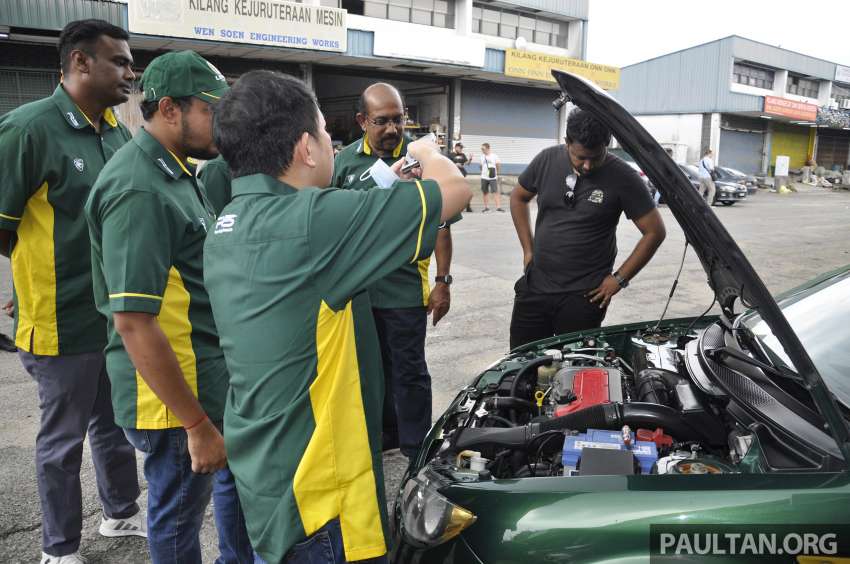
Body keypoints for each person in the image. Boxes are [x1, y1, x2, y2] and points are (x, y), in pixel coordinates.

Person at [204, 70, 470, 564]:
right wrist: (427, 152)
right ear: (306, 147)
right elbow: (453, 191)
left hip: (269, 474)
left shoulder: (227, 223)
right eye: (327, 132)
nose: (333, 143)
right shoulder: (311, 221)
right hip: (319, 500)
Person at [84, 50, 252, 564]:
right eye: (212, 111)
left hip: (200, 380)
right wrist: (195, 424)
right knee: (177, 519)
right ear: (172, 110)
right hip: (174, 401)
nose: (222, 125)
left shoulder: (176, 172)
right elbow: (134, 322)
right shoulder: (140, 188)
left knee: (209, 499)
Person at [0, 19, 143, 564]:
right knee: (62, 443)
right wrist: (32, 275)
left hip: (113, 318)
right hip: (59, 320)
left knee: (113, 425)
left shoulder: (115, 131)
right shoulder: (27, 129)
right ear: (80, 63)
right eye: (120, 62)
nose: (131, 72)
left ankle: (120, 514)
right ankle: (57, 549)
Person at [331, 83, 460, 458]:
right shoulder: (344, 163)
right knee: (370, 372)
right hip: (358, 293)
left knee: (409, 371)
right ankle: (383, 434)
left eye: (398, 120)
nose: (392, 129)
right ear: (362, 121)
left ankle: (415, 444)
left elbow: (442, 225)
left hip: (405, 292)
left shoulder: (425, 161)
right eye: (381, 121)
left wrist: (443, 281)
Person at [509, 107, 666, 349]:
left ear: (607, 144)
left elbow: (655, 232)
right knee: (522, 363)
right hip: (536, 287)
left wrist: (619, 279)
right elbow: (518, 197)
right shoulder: (546, 160)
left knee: (577, 371)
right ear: (567, 142)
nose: (588, 166)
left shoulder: (625, 177)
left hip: (584, 297)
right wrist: (527, 250)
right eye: (580, 157)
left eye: (596, 157)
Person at [480, 142, 503, 212]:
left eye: (483, 149)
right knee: (485, 192)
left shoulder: (494, 156)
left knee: (495, 192)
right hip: (484, 177)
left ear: (488, 148)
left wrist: (497, 173)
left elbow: (498, 165)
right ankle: (486, 207)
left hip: (492, 177)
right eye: (482, 149)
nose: (482, 150)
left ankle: (498, 207)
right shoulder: (482, 156)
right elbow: (481, 166)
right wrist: (482, 171)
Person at [450, 142, 473, 212]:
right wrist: (455, 164)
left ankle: (468, 206)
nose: (461, 149)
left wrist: (470, 159)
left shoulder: (462, 155)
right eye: (460, 148)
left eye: (462, 148)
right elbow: (446, 163)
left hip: (462, 175)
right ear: (456, 147)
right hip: (454, 176)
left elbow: (467, 163)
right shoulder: (450, 155)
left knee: (465, 191)